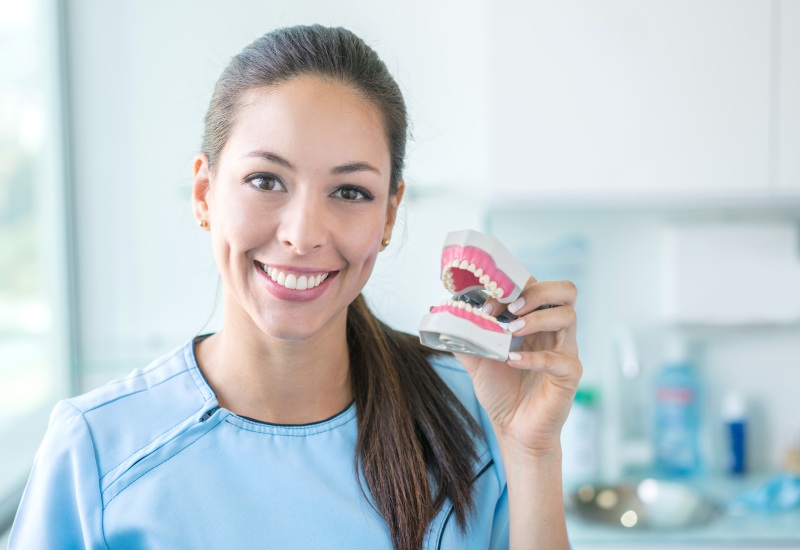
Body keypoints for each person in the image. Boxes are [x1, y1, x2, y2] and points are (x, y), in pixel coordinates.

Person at [9, 25, 581, 549]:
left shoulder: (475, 412)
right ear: (205, 194)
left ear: (388, 214)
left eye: (350, 191)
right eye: (266, 180)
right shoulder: (94, 452)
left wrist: (531, 452)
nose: (303, 234)